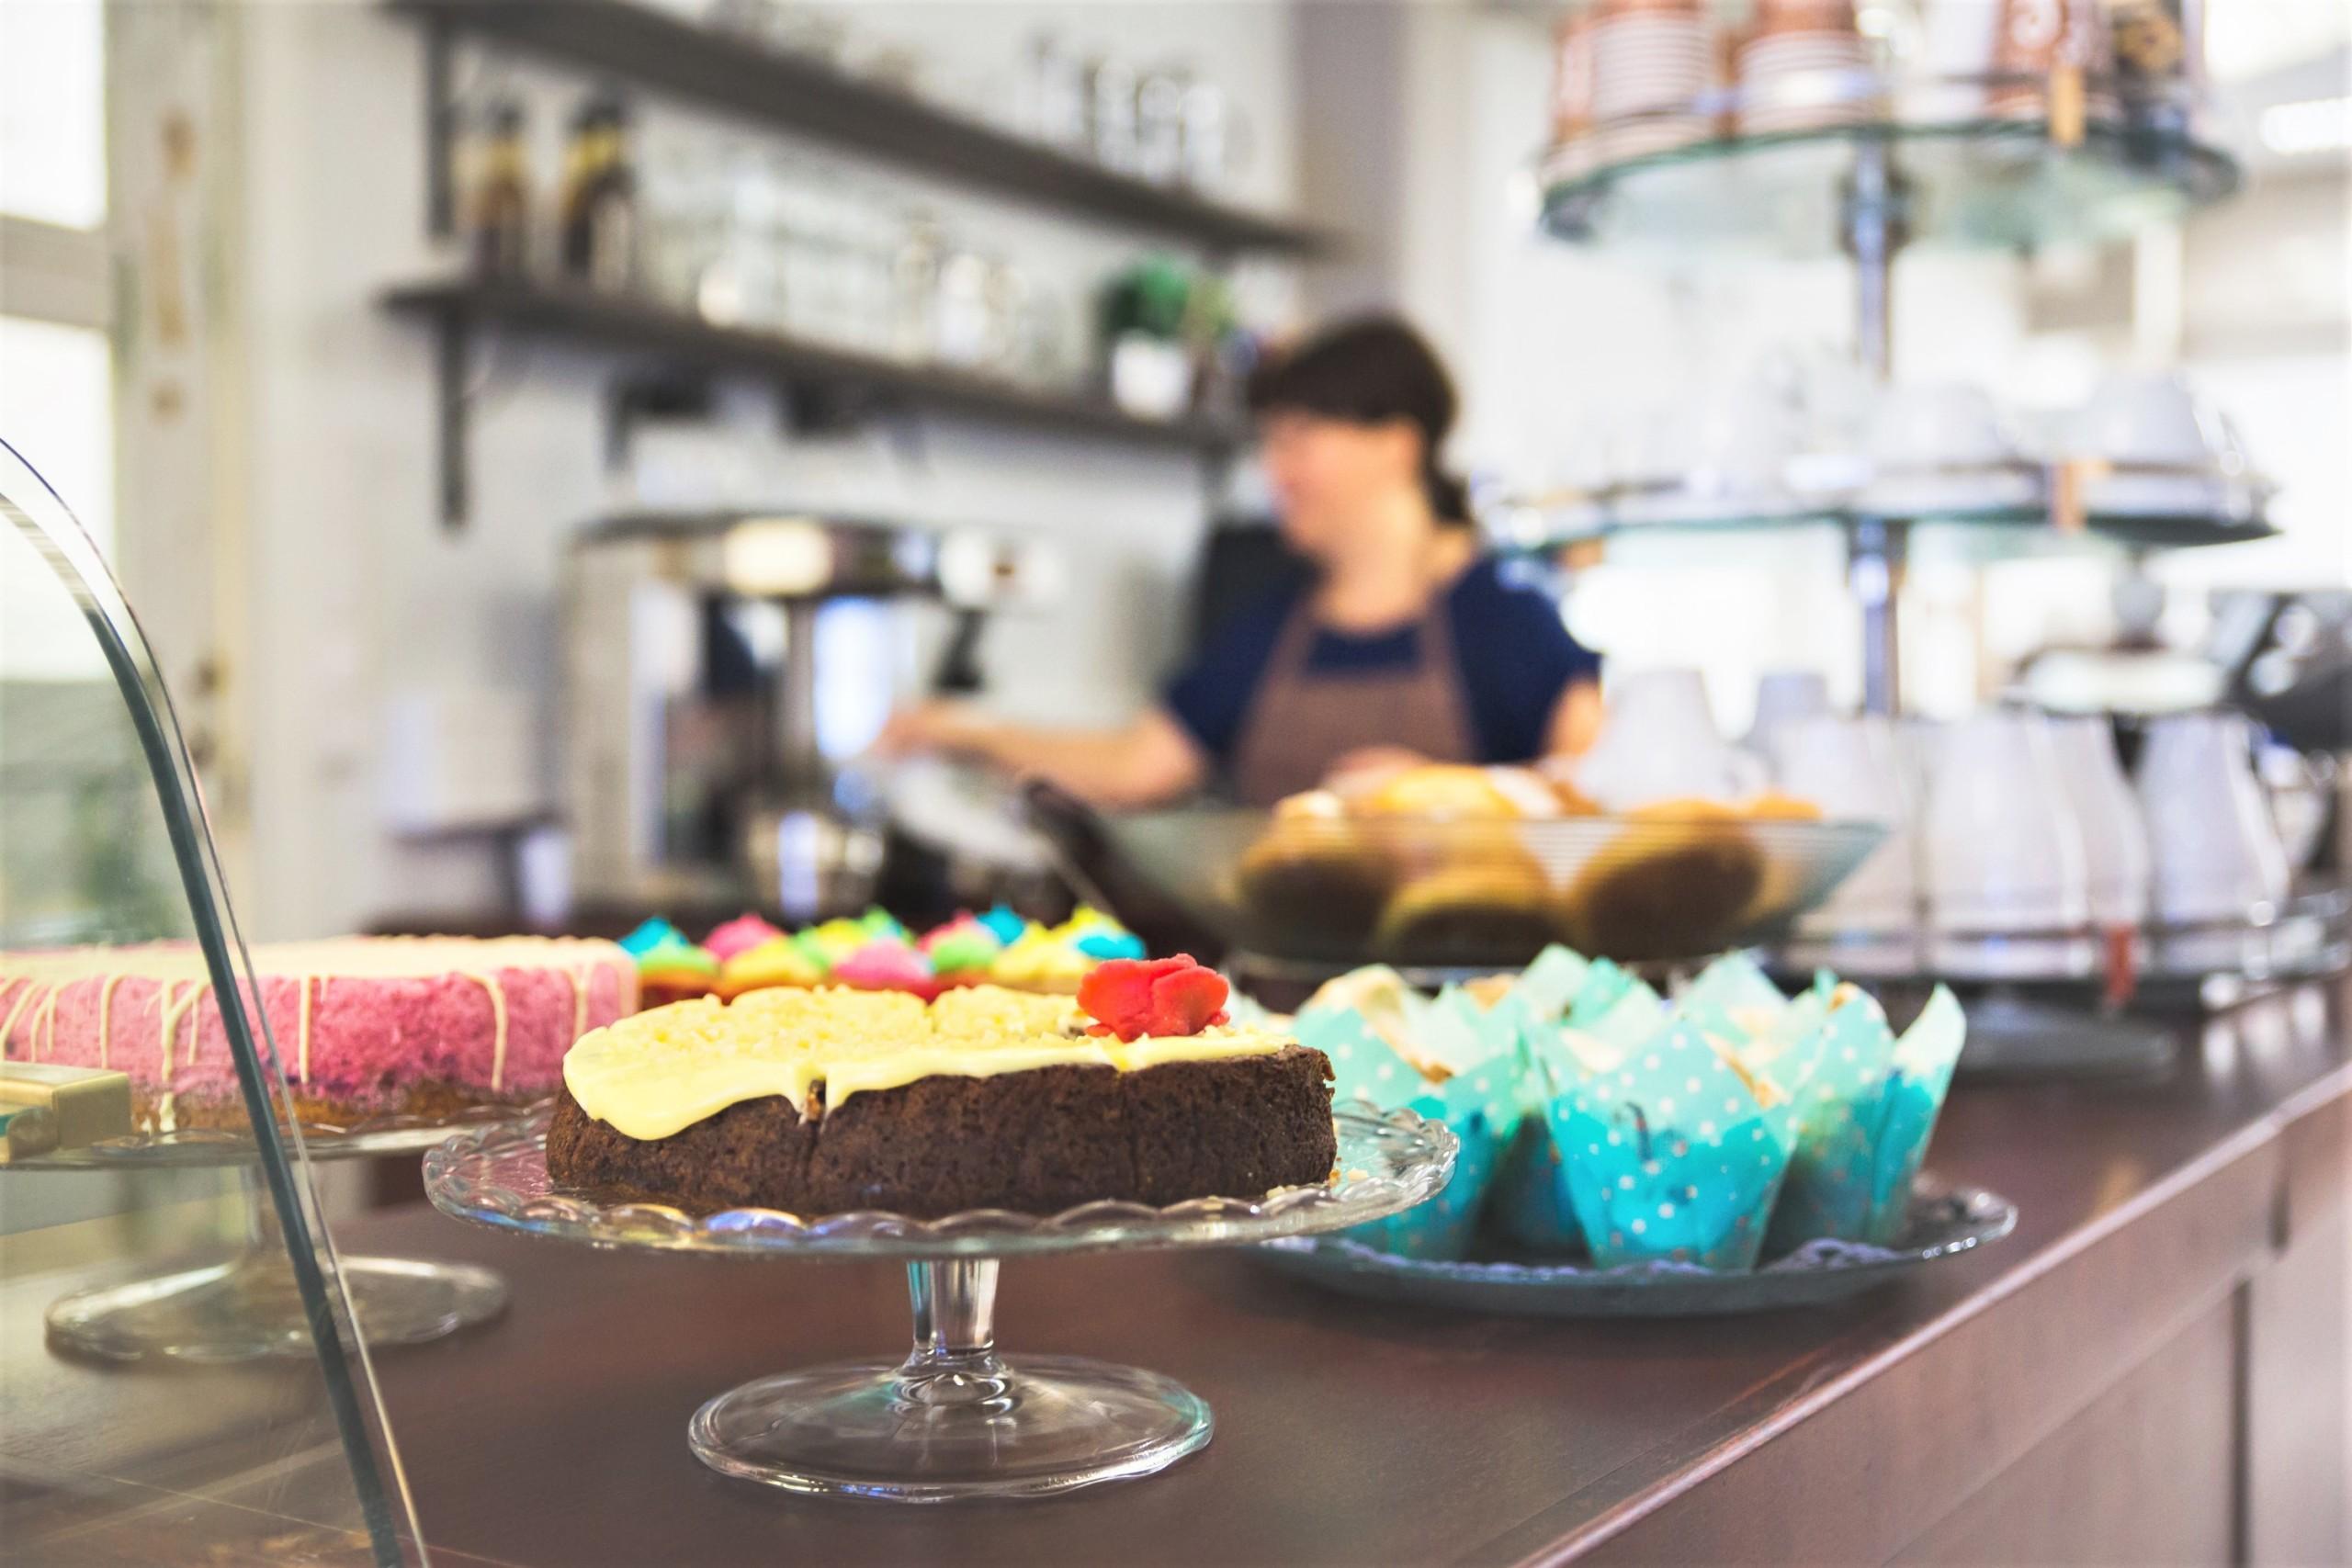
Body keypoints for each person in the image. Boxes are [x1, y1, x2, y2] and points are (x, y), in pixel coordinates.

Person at [880, 314, 1603, 806]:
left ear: (1397, 443)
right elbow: (1137, 767)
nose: (1275, 471)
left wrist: (1455, 797)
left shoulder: (1505, 613)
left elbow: (1606, 786)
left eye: (1299, 438)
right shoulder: (1274, 622)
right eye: (1270, 444)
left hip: (1472, 1007)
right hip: (1285, 1008)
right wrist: (968, 731)